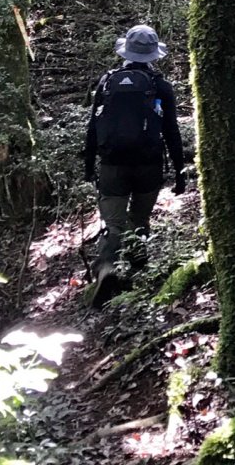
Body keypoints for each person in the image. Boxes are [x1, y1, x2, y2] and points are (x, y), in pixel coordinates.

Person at [84, 24, 185, 307]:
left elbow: (93, 127)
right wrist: (180, 172)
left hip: (112, 165)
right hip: (148, 166)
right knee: (140, 220)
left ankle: (106, 268)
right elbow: (172, 131)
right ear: (153, 54)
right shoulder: (160, 86)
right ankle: (138, 277)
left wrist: (89, 165)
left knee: (113, 224)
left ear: (125, 50)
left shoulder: (107, 81)